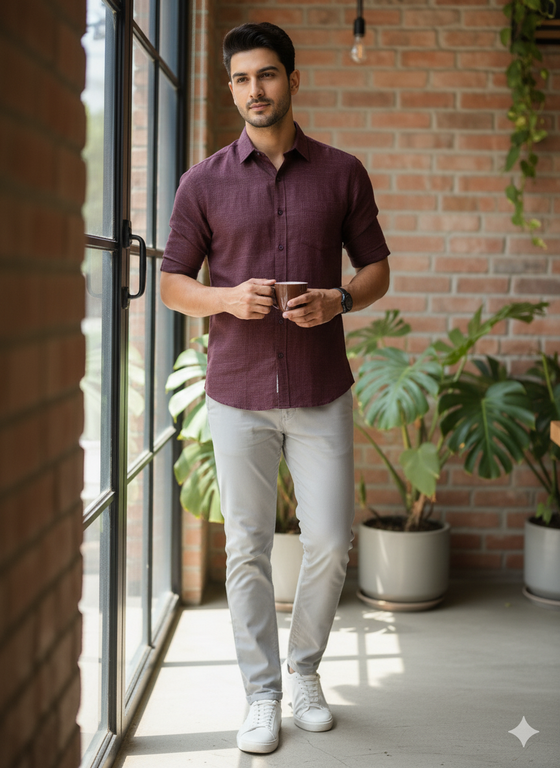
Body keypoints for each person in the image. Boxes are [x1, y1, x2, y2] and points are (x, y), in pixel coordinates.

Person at [160, 22, 390, 755]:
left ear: (292, 79)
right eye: (240, 79)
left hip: (321, 387)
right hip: (238, 392)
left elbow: (377, 268)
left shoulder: (343, 172)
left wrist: (341, 301)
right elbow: (170, 285)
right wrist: (225, 300)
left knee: (327, 539)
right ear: (230, 89)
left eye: (266, 75)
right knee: (250, 547)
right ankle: (261, 694)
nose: (254, 90)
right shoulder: (202, 182)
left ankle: (305, 672)